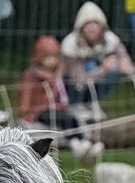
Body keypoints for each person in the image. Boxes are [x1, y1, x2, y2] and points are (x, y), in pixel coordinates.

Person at [16, 35, 101, 164]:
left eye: (54, 58)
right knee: (64, 119)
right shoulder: (32, 76)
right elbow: (25, 99)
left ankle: (83, 144)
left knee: (72, 119)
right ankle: (78, 146)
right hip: (38, 112)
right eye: (48, 58)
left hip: (55, 109)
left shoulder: (56, 76)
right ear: (39, 58)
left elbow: (60, 96)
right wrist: (26, 113)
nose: (52, 61)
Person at [58, 1, 135, 119]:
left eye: (96, 23)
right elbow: (78, 78)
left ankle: (92, 103)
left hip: (94, 75)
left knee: (114, 69)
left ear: (102, 26)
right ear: (81, 26)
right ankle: (75, 105)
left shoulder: (111, 39)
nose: (92, 27)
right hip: (73, 82)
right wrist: (102, 69)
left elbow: (126, 61)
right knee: (88, 68)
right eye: (88, 24)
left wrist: (124, 65)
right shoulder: (70, 43)